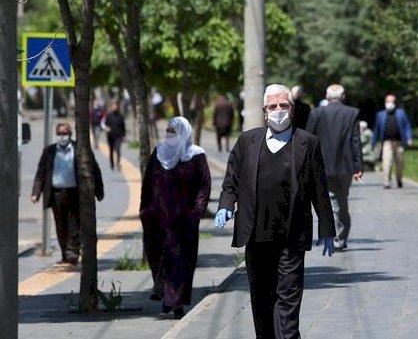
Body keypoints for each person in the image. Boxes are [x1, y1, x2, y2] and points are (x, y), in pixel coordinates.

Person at [214, 84, 336, 338]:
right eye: (273, 106)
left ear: (291, 109)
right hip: (256, 237)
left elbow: (319, 189)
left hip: (291, 237)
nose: (278, 110)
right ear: (265, 111)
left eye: (283, 105)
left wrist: (327, 227)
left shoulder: (307, 143)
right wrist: (226, 205)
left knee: (288, 303)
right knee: (261, 301)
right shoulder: (248, 141)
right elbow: (231, 181)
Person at [139, 117, 211, 319]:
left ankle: (175, 302)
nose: (169, 134)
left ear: (184, 133)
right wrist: (144, 211)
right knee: (157, 257)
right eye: (168, 130)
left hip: (184, 220)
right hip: (156, 218)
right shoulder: (158, 153)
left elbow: (204, 187)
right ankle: (165, 294)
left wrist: (197, 212)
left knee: (180, 261)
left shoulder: (196, 156)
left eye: (174, 131)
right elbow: (147, 183)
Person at [30, 123, 105, 265]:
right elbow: (41, 173)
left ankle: (73, 253)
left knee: (74, 224)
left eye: (64, 133)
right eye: (59, 133)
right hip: (56, 194)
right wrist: (36, 193)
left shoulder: (80, 149)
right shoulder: (49, 151)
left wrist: (99, 192)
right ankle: (65, 253)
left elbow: (94, 170)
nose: (62, 136)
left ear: (70, 135)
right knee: (60, 226)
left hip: (75, 193)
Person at [307, 84, 363, 251]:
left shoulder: (316, 113)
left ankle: (335, 236)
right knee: (342, 199)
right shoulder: (352, 113)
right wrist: (358, 165)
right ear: (343, 96)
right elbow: (355, 141)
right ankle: (340, 236)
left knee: (331, 200)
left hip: (322, 164)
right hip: (345, 166)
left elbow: (309, 139)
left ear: (326, 95)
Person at [371, 93, 413, 189]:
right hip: (387, 142)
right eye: (388, 101)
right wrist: (373, 143)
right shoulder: (380, 115)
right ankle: (387, 182)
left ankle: (399, 179)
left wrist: (409, 138)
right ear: (385, 102)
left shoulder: (401, 113)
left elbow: (407, 126)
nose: (390, 103)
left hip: (399, 142)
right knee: (387, 162)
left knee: (400, 163)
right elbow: (376, 129)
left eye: (392, 101)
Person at [103, 101, 126, 171]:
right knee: (111, 151)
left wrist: (124, 135)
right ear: (111, 107)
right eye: (113, 106)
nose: (115, 107)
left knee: (118, 149)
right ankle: (112, 164)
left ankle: (118, 163)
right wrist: (107, 128)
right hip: (110, 136)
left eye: (116, 106)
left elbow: (123, 126)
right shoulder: (108, 115)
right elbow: (105, 125)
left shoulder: (120, 116)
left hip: (119, 136)